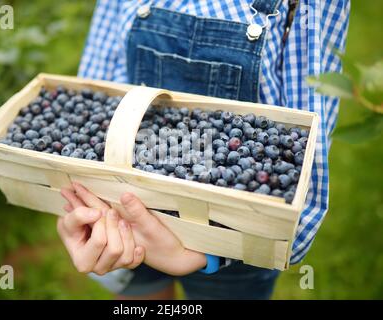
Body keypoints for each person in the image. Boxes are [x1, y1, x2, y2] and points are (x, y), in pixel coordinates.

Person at [57, 0, 350, 299]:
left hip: (229, 234)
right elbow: (101, 75)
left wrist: (209, 251)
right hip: (122, 208)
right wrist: (84, 190)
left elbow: (304, 141)